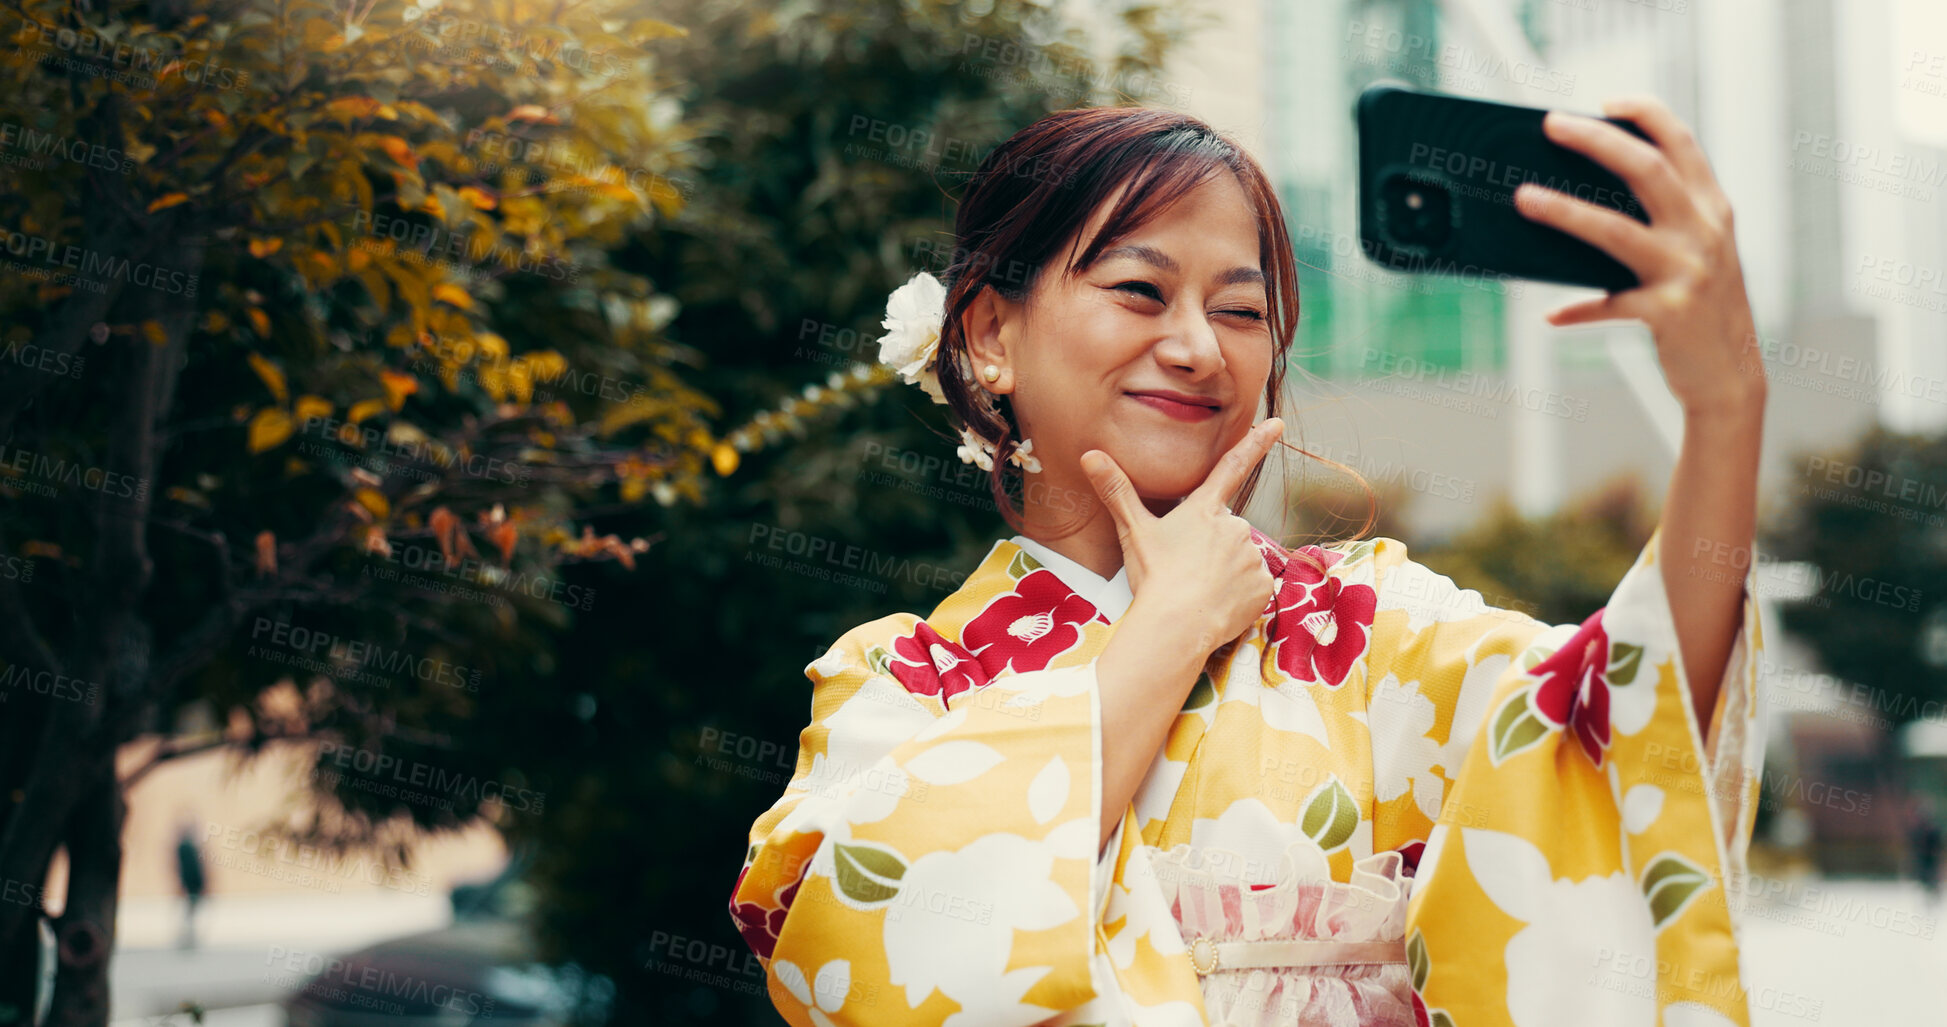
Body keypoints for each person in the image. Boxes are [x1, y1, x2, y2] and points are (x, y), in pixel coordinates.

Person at [729, 102, 1768, 1027]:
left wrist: (1725, 408)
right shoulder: (905, 683)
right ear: (990, 334)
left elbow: (1628, 721)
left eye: (1239, 309)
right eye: (1140, 289)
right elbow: (858, 960)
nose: (1197, 348)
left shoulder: (1360, 630)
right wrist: (1173, 622)